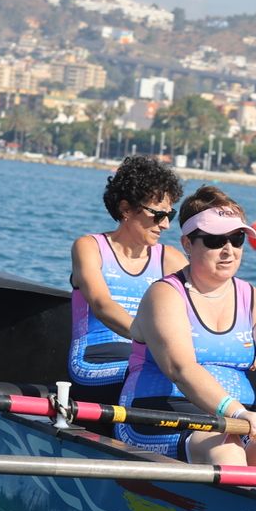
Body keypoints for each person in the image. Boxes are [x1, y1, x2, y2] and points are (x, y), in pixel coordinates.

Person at [115, 185, 256, 465]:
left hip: (238, 424)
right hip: (159, 417)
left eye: (237, 239)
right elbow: (181, 369)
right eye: (215, 240)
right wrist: (239, 413)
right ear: (188, 244)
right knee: (227, 451)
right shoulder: (164, 295)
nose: (229, 250)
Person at [67, 156, 187, 397]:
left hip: (148, 357)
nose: (166, 225)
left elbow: (205, 305)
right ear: (126, 209)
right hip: (93, 360)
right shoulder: (89, 247)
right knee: (160, 374)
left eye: (170, 215)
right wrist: (148, 338)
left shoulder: (171, 259)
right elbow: (102, 304)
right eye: (158, 215)